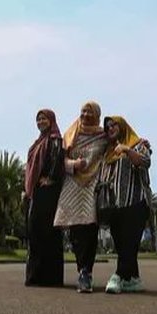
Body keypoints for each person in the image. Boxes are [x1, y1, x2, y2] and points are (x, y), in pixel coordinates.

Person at [53, 101, 107, 293]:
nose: (85, 115)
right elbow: (61, 159)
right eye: (83, 111)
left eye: (89, 112)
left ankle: (87, 272)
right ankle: (81, 269)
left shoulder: (103, 135)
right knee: (75, 229)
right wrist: (73, 164)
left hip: (92, 184)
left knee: (90, 228)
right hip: (73, 184)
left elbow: (121, 140)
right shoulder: (71, 133)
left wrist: (140, 144)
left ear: (97, 115)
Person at [98, 116, 152, 294]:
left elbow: (144, 162)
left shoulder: (137, 144)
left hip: (135, 202)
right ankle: (133, 279)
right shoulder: (108, 151)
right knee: (121, 245)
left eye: (113, 125)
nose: (110, 128)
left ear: (122, 126)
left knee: (129, 243)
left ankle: (118, 276)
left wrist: (127, 150)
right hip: (114, 206)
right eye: (107, 127)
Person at [23, 109, 65, 287]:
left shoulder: (55, 139)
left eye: (44, 119)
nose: (41, 122)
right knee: (35, 232)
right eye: (38, 119)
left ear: (51, 120)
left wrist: (51, 178)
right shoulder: (37, 143)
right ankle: (35, 276)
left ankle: (51, 278)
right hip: (37, 192)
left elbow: (57, 161)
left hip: (49, 193)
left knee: (48, 232)